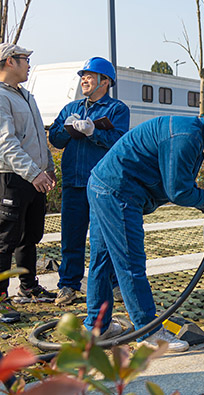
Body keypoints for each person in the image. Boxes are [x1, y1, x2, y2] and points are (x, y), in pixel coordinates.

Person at [84, 98, 204, 350]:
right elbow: (177, 191)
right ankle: (148, 332)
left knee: (103, 259)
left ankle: (97, 327)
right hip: (118, 193)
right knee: (130, 262)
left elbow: (178, 181)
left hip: (102, 184)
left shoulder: (193, 135)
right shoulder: (186, 138)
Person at [0, 43, 57, 320]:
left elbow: (37, 135)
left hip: (33, 175)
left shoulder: (25, 95)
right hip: (11, 177)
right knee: (5, 239)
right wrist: (34, 173)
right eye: (25, 59)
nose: (29, 64)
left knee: (30, 236)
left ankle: (28, 287)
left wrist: (47, 167)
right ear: (10, 61)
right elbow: (5, 144)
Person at [48, 57, 130, 306]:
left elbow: (119, 140)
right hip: (74, 183)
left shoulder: (117, 109)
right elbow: (55, 138)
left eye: (90, 75)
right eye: (82, 75)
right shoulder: (71, 108)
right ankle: (68, 286)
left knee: (106, 237)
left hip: (103, 185)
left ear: (105, 81)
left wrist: (94, 132)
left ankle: (114, 284)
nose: (84, 79)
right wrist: (67, 127)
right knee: (71, 237)